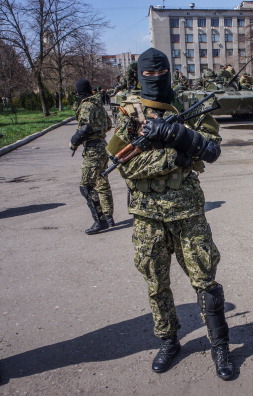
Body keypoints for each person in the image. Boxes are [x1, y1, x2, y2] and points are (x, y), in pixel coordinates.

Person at [106, 48, 234, 379]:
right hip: (146, 214)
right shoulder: (128, 113)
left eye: (160, 72)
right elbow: (125, 166)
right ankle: (168, 340)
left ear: (169, 72)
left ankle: (220, 346)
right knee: (155, 280)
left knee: (205, 279)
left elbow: (212, 150)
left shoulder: (190, 107)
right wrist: (175, 158)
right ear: (138, 75)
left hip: (187, 210)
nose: (154, 79)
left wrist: (178, 134)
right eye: (147, 74)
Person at [69, 78, 115, 235]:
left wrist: (74, 141)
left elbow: (86, 128)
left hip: (94, 149)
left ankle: (100, 221)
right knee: (102, 182)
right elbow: (108, 124)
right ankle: (108, 216)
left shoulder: (87, 105)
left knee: (86, 186)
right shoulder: (97, 104)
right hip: (102, 146)